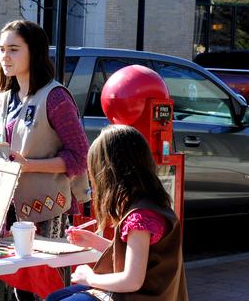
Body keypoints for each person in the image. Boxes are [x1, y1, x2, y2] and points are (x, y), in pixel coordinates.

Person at [0, 20, 89, 300]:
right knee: (18, 287)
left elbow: (80, 157)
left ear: (33, 52)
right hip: (9, 208)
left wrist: (29, 165)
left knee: (46, 287)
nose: (5, 57)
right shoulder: (4, 96)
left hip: (47, 208)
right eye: (1, 50)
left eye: (13, 49)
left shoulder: (55, 97)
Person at [47, 125, 188, 301]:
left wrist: (89, 277)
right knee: (56, 297)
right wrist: (94, 241)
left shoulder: (140, 217)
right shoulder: (152, 205)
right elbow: (139, 255)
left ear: (108, 174)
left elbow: (132, 281)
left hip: (136, 295)